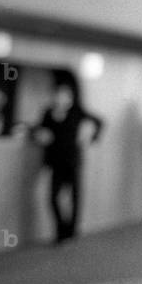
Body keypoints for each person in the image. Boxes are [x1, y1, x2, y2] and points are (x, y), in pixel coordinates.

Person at [32, 72, 103, 244]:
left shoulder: (77, 113)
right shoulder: (49, 113)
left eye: (65, 94)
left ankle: (71, 232)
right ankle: (61, 231)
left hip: (72, 160)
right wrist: (40, 134)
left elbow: (99, 122)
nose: (61, 97)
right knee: (53, 197)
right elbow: (36, 129)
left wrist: (90, 136)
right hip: (55, 162)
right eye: (58, 94)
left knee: (75, 198)